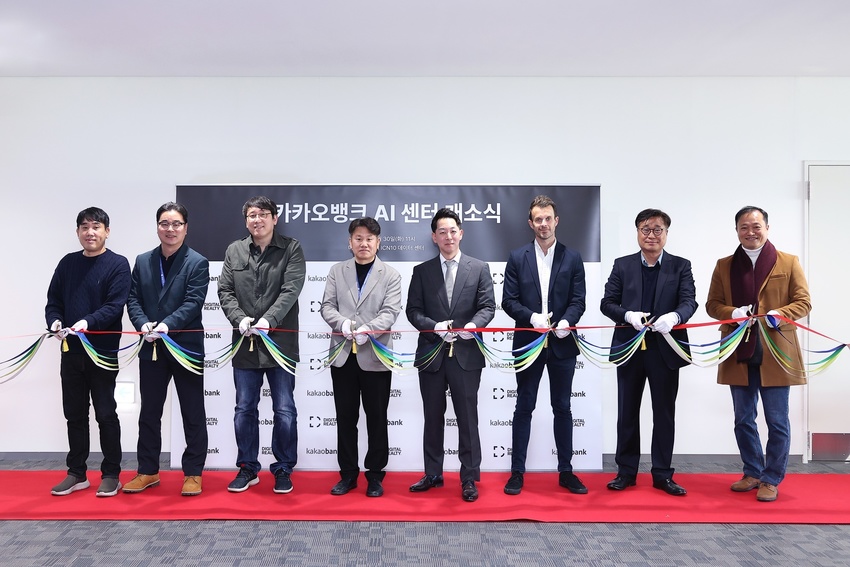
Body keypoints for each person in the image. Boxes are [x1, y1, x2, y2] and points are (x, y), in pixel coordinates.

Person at [706, 206, 811, 503]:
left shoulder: (788, 261)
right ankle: (752, 471)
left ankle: (771, 478)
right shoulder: (724, 265)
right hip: (738, 349)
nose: (750, 232)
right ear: (736, 230)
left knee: (777, 420)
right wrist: (732, 313)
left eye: (756, 226)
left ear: (767, 228)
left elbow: (803, 302)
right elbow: (712, 305)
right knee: (743, 418)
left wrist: (780, 313)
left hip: (776, 351)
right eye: (744, 227)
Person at [600, 208, 697, 496]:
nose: (651, 235)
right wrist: (626, 315)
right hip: (630, 348)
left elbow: (689, 302)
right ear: (637, 233)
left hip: (666, 349)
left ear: (666, 233)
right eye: (645, 229)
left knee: (664, 414)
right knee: (626, 412)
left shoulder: (681, 266)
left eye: (657, 230)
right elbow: (607, 303)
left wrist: (675, 317)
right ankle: (626, 472)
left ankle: (662, 475)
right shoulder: (623, 265)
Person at [406, 207, 495, 502]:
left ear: (461, 233)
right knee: (432, 417)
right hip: (431, 354)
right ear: (434, 237)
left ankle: (469, 478)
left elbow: (487, 306)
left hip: (466, 354)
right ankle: (433, 473)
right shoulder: (421, 272)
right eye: (442, 232)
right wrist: (433, 327)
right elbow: (413, 311)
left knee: (467, 419)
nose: (448, 236)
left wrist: (473, 326)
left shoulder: (479, 268)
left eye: (452, 231)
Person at [218, 196, 306, 494]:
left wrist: (270, 319)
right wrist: (238, 318)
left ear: (275, 218)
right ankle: (248, 468)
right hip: (245, 344)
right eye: (252, 215)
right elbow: (225, 290)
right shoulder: (234, 250)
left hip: (281, 344)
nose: (258, 220)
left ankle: (283, 468)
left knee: (284, 410)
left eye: (263, 214)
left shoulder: (291, 248)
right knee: (244, 409)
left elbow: (291, 289)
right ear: (246, 221)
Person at [501, 195, 588, 496]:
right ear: (531, 223)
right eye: (538, 219)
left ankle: (566, 471)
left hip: (563, 344)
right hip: (529, 343)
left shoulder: (572, 257)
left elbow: (578, 300)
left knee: (562, 407)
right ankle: (517, 473)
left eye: (548, 218)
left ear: (556, 220)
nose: (543, 224)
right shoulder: (517, 257)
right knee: (524, 406)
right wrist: (532, 317)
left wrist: (567, 321)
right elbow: (509, 301)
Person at [124, 202, 210, 496]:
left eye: (176, 224)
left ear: (186, 228)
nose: (170, 229)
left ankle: (193, 473)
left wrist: (166, 325)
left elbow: (193, 302)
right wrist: (142, 324)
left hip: (186, 348)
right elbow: (133, 299)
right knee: (149, 412)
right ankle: (147, 471)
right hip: (151, 348)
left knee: (192, 412)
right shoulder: (143, 260)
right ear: (157, 227)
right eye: (164, 223)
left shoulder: (197, 262)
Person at [45, 206, 131, 497]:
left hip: (102, 352)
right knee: (74, 414)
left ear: (107, 231)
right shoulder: (67, 263)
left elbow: (114, 306)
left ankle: (111, 474)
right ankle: (77, 473)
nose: (90, 232)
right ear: (78, 232)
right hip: (71, 352)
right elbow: (53, 301)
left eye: (96, 227)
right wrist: (55, 321)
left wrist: (87, 322)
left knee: (106, 413)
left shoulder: (118, 264)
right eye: (84, 227)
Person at [320, 217, 402, 498]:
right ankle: (348, 474)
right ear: (350, 241)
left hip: (375, 357)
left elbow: (391, 311)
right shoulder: (337, 271)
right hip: (343, 356)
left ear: (378, 243)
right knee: (345, 418)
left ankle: (375, 475)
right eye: (358, 238)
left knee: (377, 418)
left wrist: (370, 330)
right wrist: (342, 323)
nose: (363, 243)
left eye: (369, 239)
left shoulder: (390, 275)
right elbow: (327, 306)